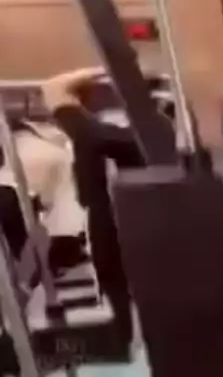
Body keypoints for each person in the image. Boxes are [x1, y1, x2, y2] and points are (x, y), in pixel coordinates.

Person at [42, 67, 177, 346]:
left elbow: (54, 87)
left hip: (122, 234)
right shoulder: (145, 132)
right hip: (134, 231)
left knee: (137, 317)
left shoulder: (107, 135)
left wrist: (104, 69)